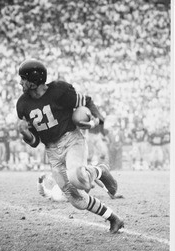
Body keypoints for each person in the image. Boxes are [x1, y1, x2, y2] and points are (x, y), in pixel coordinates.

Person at [16, 59, 124, 234]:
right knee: (76, 200)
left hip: (71, 140)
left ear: (34, 80)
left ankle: (99, 171)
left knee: (77, 178)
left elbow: (87, 101)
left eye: (23, 78)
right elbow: (35, 141)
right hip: (51, 151)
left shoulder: (59, 91)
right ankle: (114, 219)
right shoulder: (22, 104)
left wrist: (97, 120)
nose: (20, 82)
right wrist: (25, 134)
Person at [37, 171, 124, 202]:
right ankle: (109, 193)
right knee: (90, 180)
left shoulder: (53, 192)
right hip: (67, 193)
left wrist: (40, 180)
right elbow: (43, 193)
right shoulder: (56, 189)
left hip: (63, 194)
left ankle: (87, 185)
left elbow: (43, 193)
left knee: (88, 181)